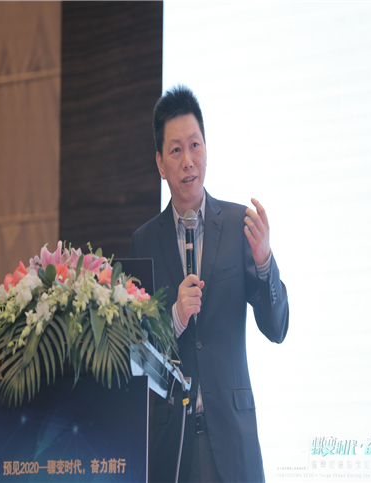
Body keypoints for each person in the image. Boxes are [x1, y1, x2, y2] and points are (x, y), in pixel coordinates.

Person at [130, 85, 289, 483]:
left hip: (233, 441)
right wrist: (174, 318)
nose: (188, 161)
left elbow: (277, 327)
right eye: (176, 150)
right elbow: (137, 357)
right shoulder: (144, 243)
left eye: (195, 145)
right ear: (160, 163)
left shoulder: (238, 226)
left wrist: (265, 263)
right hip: (174, 446)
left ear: (206, 148)